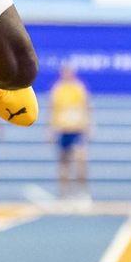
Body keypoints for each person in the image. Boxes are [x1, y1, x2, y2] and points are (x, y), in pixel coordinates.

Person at [50, 62, 92, 199]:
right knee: (64, 164)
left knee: (81, 161)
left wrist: (88, 126)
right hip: (63, 130)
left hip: (77, 129)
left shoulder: (79, 88)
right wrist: (50, 130)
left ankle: (82, 192)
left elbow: (86, 108)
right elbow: (52, 110)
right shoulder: (57, 90)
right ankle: (64, 194)